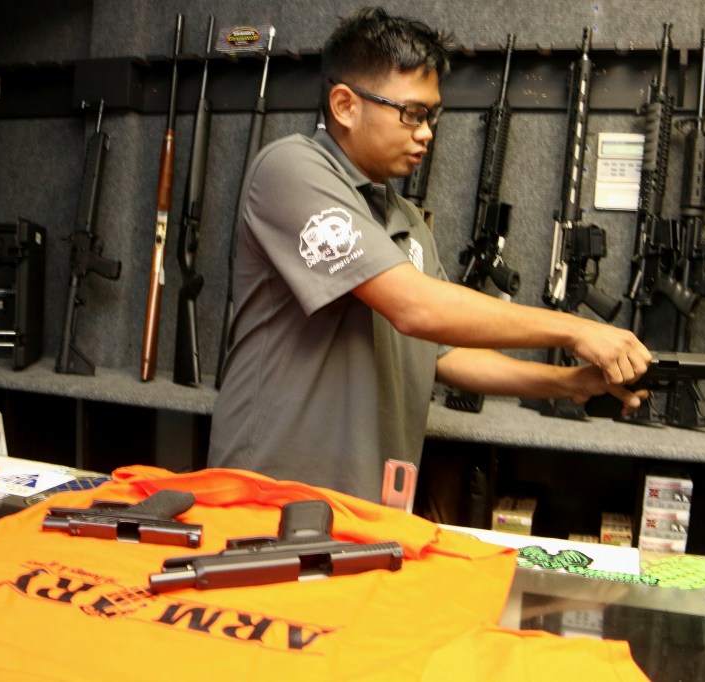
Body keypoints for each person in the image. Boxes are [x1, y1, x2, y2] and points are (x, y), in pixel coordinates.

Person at [208, 6, 652, 503]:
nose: (426, 132)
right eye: (412, 113)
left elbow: (446, 353)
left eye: (430, 116)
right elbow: (416, 307)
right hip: (268, 498)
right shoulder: (292, 169)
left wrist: (569, 382)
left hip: (367, 508)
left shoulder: (407, 220)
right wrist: (576, 329)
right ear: (345, 105)